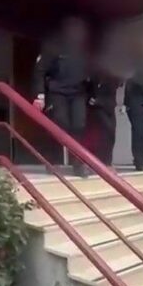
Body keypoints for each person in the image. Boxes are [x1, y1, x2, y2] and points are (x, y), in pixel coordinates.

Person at [33, 16, 90, 177]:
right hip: (57, 92)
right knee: (60, 124)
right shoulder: (53, 47)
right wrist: (40, 95)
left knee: (79, 125)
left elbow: (91, 72)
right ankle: (53, 161)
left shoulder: (83, 50)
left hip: (78, 93)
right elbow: (39, 71)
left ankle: (78, 164)